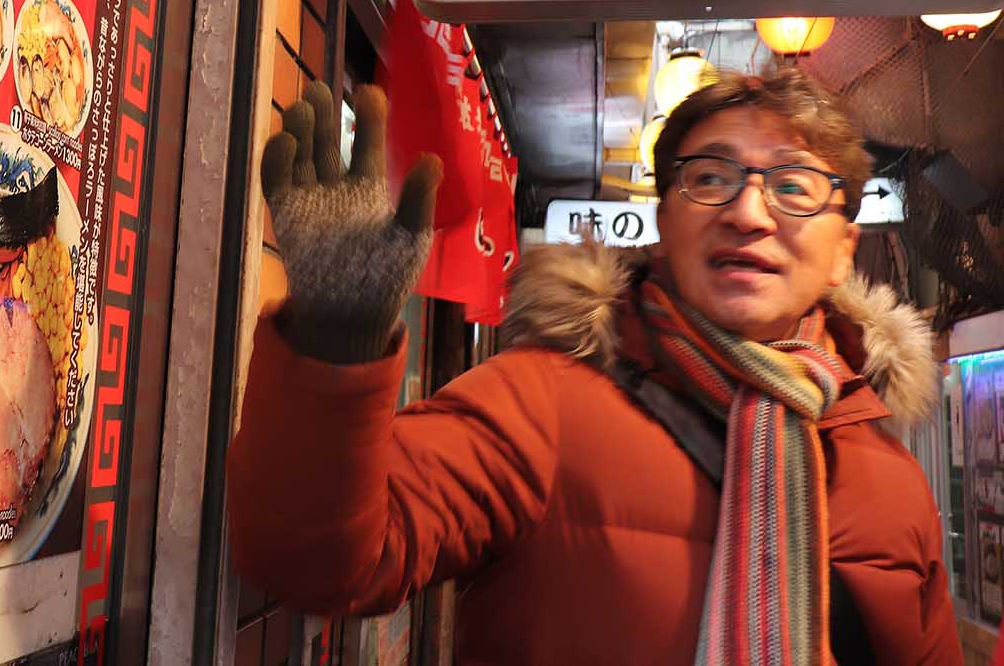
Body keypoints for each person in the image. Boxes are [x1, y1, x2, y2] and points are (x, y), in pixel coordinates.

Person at [228, 67, 959, 665]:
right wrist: (334, 341)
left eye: (794, 186)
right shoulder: (541, 399)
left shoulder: (890, 478)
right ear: (664, 221)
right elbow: (321, 563)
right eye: (710, 177)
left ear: (843, 248)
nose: (749, 212)